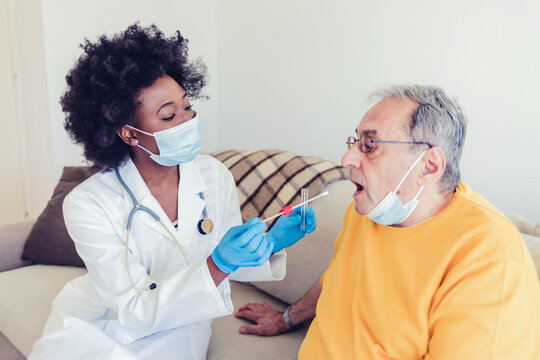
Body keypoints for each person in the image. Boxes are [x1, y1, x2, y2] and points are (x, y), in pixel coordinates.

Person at [28, 24, 316, 360]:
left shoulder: (213, 176)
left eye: (187, 107)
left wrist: (269, 243)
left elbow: (225, 259)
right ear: (130, 135)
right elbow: (133, 309)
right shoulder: (88, 203)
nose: (188, 121)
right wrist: (219, 262)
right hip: (99, 325)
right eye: (168, 116)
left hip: (180, 330)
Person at [236, 84, 540, 359]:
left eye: (370, 145)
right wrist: (286, 318)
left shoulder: (489, 256)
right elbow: (338, 279)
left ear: (429, 165)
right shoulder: (369, 210)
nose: (347, 158)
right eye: (355, 141)